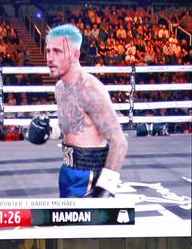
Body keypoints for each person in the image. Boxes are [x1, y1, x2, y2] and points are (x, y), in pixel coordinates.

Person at [28, 24, 128, 198]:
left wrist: (105, 187)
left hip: (90, 175)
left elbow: (119, 142)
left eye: (58, 51)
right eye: (49, 51)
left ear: (75, 55)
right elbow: (71, 127)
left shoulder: (91, 90)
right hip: (68, 171)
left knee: (76, 225)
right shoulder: (60, 88)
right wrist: (48, 131)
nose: (50, 58)